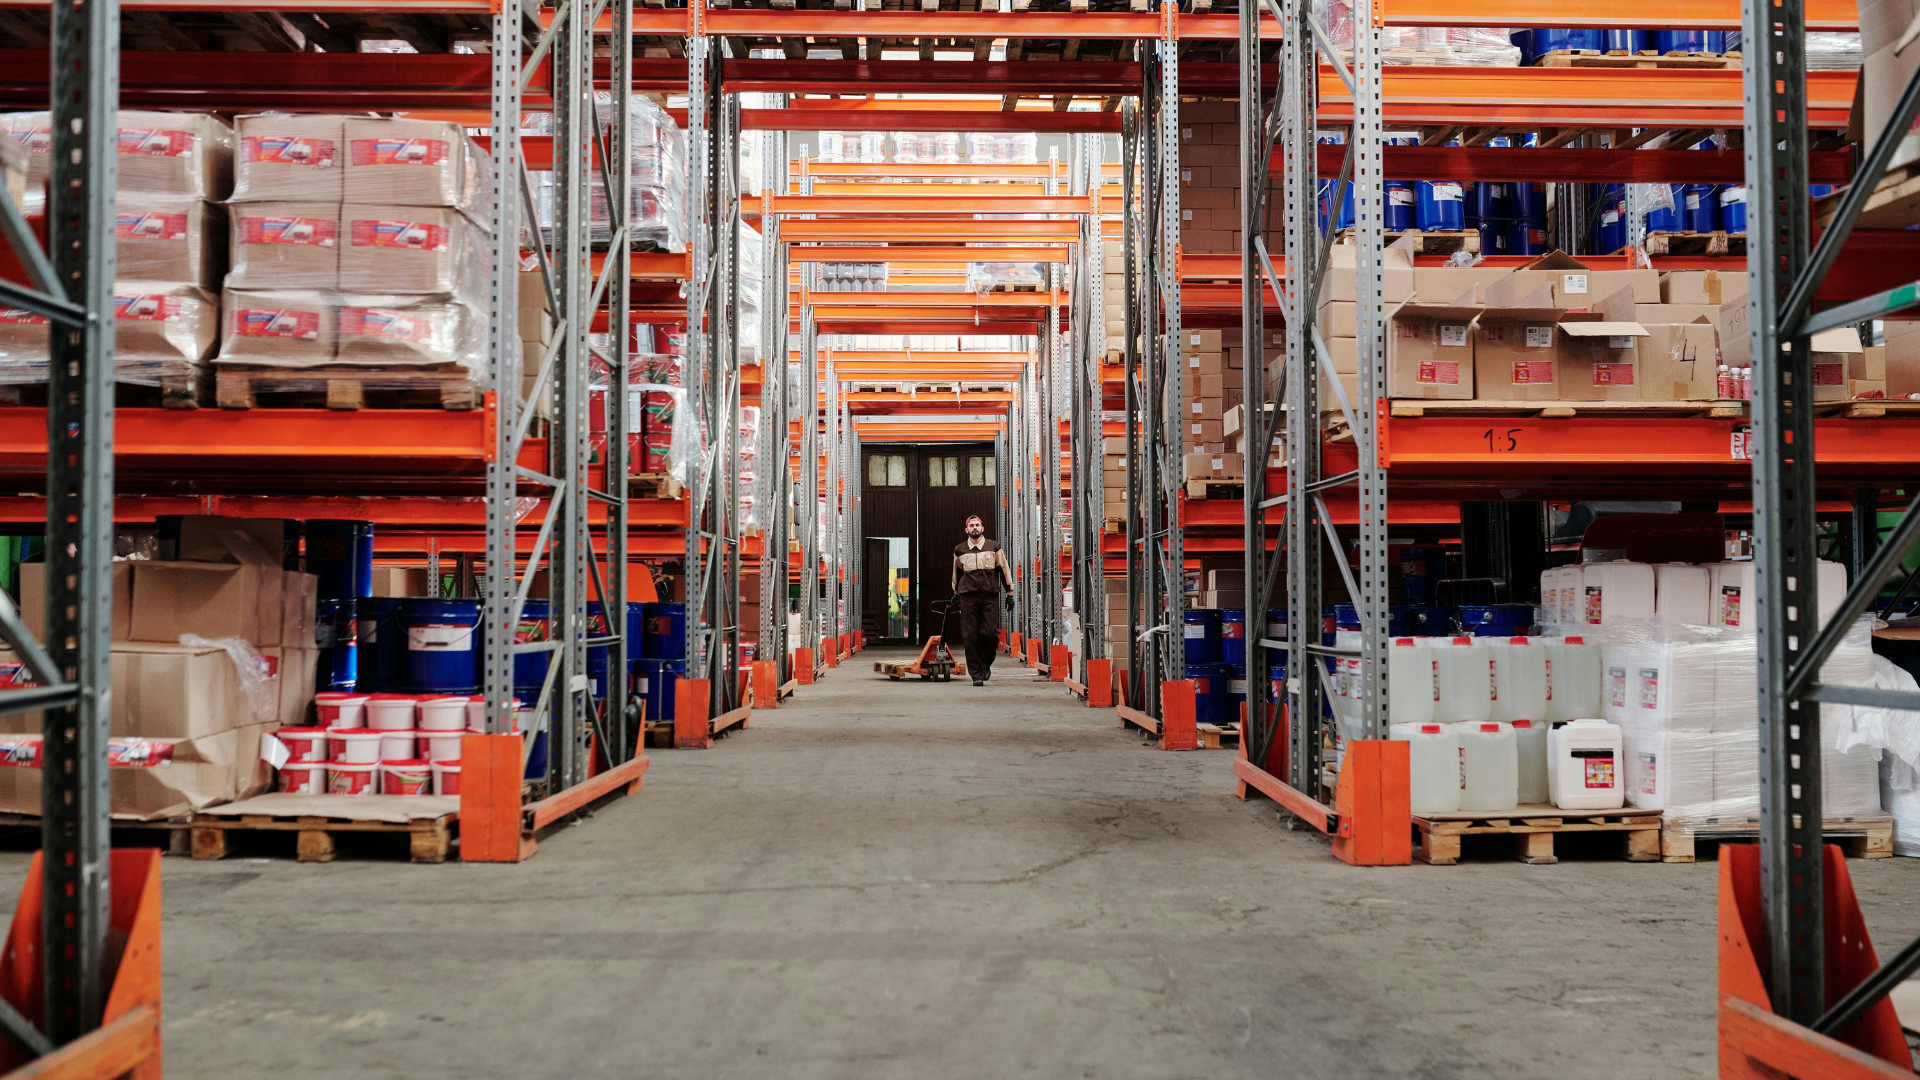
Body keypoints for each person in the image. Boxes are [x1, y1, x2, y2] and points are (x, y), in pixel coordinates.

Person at [950, 515, 1014, 686]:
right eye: (971, 526)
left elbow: (1004, 570)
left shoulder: (994, 547)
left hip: (989, 598)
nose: (975, 528)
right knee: (970, 636)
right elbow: (957, 573)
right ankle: (976, 674)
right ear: (966, 530)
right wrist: (956, 592)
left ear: (982, 528)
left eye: (977, 525)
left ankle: (985, 664)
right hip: (968, 598)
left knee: (989, 634)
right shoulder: (960, 550)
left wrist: (1010, 593)